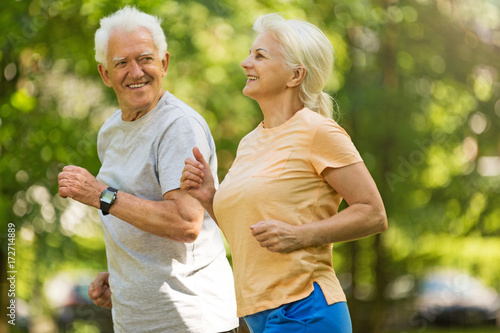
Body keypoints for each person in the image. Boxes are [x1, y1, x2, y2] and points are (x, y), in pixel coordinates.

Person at [180, 13, 388, 333]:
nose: (245, 62)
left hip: (305, 309)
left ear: (295, 75)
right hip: (258, 313)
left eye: (259, 55)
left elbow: (373, 213)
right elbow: (251, 232)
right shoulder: (250, 142)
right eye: (250, 53)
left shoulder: (319, 131)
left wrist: (300, 235)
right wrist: (209, 197)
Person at [57, 6, 238, 333]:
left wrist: (100, 194)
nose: (135, 71)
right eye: (121, 63)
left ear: (164, 63)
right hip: (136, 320)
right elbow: (140, 219)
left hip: (191, 320)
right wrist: (124, 277)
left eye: (145, 59)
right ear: (105, 74)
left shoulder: (178, 127)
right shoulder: (110, 132)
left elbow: (186, 223)